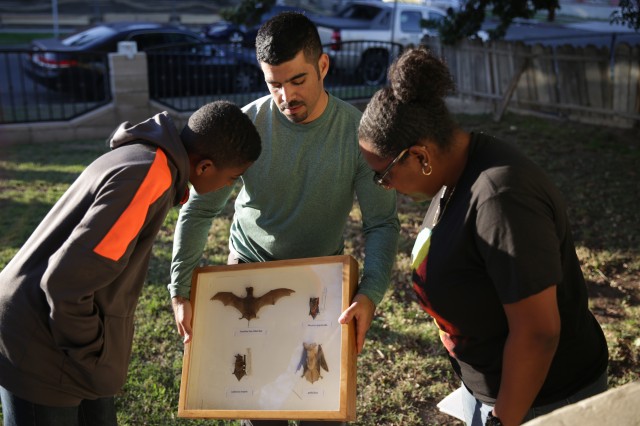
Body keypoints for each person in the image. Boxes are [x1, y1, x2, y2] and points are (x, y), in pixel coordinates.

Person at [168, 12, 400, 426]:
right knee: (261, 409)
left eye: (297, 81)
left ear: (323, 66)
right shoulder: (248, 125)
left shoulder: (357, 132)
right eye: (273, 84)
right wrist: (180, 288)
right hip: (249, 278)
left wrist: (369, 294)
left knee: (319, 407)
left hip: (320, 282)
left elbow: (381, 223)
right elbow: (201, 207)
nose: (285, 96)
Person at [357, 47, 609, 426]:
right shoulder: (455, 174)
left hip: (543, 404)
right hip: (497, 396)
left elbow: (538, 333)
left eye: (384, 174)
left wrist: (501, 420)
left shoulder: (501, 199)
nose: (385, 186)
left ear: (420, 156)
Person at [0, 101, 262, 426]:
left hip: (59, 334)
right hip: (40, 343)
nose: (230, 187)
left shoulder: (148, 158)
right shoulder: (147, 179)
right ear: (205, 167)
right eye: (233, 178)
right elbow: (64, 284)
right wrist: (93, 354)